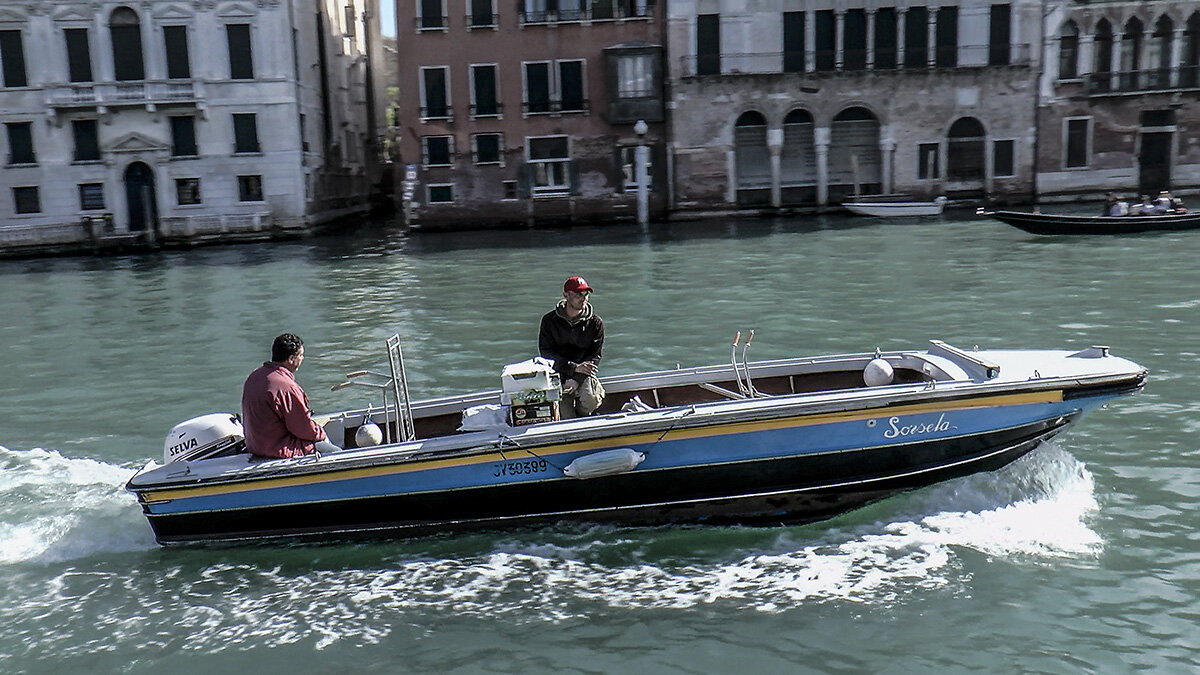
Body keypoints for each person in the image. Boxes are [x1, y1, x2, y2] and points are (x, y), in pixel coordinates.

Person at [241, 333, 338, 458]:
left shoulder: (254, 376)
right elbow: (302, 429)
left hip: (256, 445)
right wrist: (320, 433)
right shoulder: (286, 387)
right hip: (279, 449)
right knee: (336, 453)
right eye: (301, 355)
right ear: (291, 358)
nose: (302, 359)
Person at [539, 276, 605, 418]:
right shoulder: (549, 321)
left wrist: (577, 378)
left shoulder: (595, 323)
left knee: (591, 399)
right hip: (558, 373)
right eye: (578, 295)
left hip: (584, 374)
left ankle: (583, 415)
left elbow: (595, 356)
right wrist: (572, 368)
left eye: (586, 294)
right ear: (566, 295)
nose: (583, 299)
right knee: (565, 418)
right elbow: (546, 354)